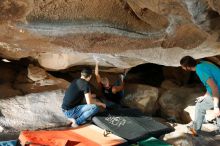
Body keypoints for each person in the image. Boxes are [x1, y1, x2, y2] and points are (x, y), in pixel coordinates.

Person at [180, 56, 220, 135]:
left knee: (200, 106)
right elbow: (211, 85)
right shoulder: (202, 63)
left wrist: (216, 107)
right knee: (203, 101)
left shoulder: (200, 70)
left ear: (188, 67)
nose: (182, 68)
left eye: (183, 67)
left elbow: (214, 88)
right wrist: (205, 96)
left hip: (218, 90)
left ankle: (195, 130)